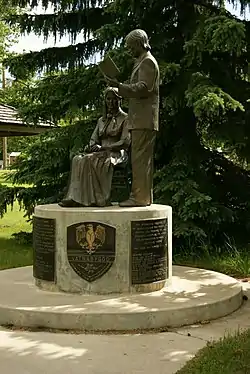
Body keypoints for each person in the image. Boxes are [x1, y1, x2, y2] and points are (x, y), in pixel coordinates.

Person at [105, 29, 160, 207]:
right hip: (140, 120)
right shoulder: (141, 62)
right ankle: (142, 196)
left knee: (140, 160)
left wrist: (119, 86)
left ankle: (140, 198)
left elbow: (144, 88)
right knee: (139, 160)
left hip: (144, 120)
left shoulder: (148, 62)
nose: (129, 50)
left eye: (131, 47)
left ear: (140, 44)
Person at [59, 87, 130, 207]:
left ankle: (97, 198)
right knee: (78, 159)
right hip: (100, 152)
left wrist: (104, 148)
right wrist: (92, 146)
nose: (111, 102)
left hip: (116, 152)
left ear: (120, 100)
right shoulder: (101, 120)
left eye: (114, 99)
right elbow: (94, 138)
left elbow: (125, 141)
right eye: (108, 99)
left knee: (89, 160)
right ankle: (75, 197)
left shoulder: (126, 118)